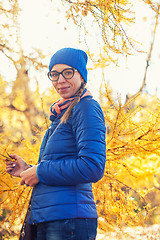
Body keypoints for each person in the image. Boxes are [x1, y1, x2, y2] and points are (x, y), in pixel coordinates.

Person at [6, 47, 106, 240]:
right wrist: (29, 170)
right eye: (54, 74)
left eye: (68, 72)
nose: (60, 80)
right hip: (50, 217)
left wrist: (40, 172)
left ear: (81, 75)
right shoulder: (60, 113)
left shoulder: (86, 108)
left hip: (69, 220)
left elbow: (93, 167)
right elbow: (58, 164)